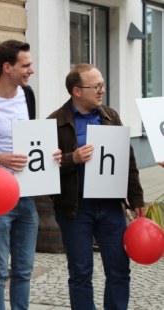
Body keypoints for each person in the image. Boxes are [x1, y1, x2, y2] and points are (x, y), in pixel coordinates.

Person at [0, 39, 62, 310]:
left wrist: (48, 154)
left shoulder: (27, 95)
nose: (31, 70)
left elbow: (31, 141)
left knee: (23, 268)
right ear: (7, 67)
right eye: (26, 65)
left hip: (26, 195)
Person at [47, 63, 145, 310]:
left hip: (111, 206)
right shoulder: (55, 122)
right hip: (75, 208)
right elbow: (44, 170)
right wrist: (73, 158)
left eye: (102, 84)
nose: (102, 90)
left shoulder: (110, 116)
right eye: (96, 85)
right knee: (81, 273)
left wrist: (137, 200)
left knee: (119, 269)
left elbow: (127, 160)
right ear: (77, 91)